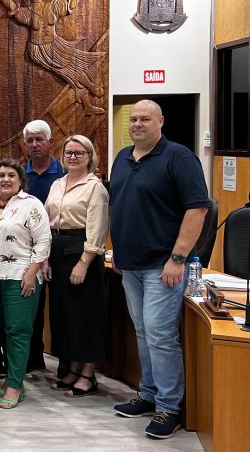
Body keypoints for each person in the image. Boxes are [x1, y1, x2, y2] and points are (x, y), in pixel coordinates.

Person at [109, 99, 208, 439]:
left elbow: (197, 209)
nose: (137, 124)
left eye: (144, 119)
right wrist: (117, 253)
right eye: (133, 119)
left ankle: (169, 408)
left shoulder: (178, 157)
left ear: (160, 122)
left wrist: (178, 258)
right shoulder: (122, 158)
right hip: (129, 265)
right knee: (143, 331)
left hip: (161, 265)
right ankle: (148, 394)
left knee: (161, 336)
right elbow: (120, 207)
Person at [0, 159, 51, 409]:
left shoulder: (31, 205)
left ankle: (16, 385)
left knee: (17, 331)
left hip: (21, 276)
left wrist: (32, 272)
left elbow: (43, 241)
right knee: (1, 329)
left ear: (20, 180)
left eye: (11, 175)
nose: (6, 179)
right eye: (1, 175)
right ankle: (11, 378)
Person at [0, 0, 105, 115]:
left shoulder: (53, 5)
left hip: (56, 44)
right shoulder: (27, 12)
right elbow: (12, 6)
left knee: (76, 66)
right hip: (39, 50)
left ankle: (88, 105)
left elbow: (70, 4)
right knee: (69, 71)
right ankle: (90, 89)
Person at [44, 135, 108, 398]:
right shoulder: (57, 184)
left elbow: (97, 229)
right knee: (63, 316)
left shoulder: (96, 187)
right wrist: (45, 258)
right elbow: (47, 222)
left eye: (79, 153)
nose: (73, 157)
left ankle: (87, 374)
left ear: (89, 157)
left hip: (81, 253)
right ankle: (71, 369)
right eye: (69, 152)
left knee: (85, 317)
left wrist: (84, 263)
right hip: (57, 251)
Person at [22, 119, 65, 374]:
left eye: (40, 139)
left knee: (60, 308)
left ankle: (64, 361)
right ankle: (32, 358)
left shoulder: (63, 174)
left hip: (58, 249)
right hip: (26, 252)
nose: (35, 145)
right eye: (30, 140)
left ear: (51, 142)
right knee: (32, 307)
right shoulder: (19, 173)